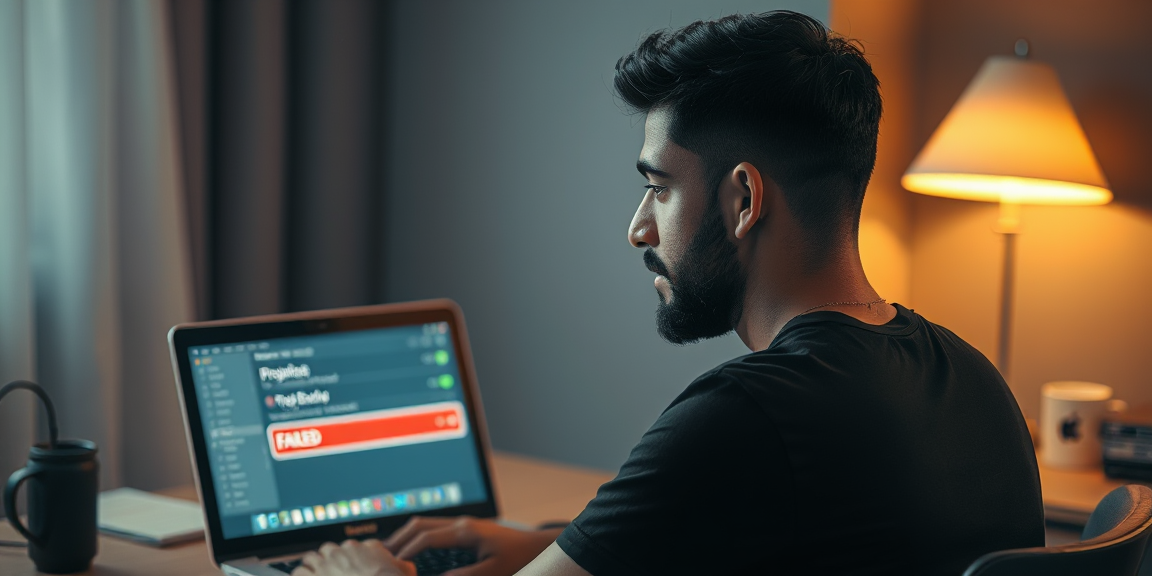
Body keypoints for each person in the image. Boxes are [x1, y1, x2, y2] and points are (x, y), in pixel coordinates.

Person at [292, 11, 1043, 576]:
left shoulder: (748, 413)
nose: (638, 229)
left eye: (658, 188)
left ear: (743, 200)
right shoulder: (973, 376)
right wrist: (564, 544)